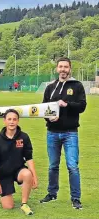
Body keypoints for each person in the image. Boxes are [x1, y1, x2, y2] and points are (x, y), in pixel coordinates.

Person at [40, 57, 87, 209]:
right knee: (53, 165)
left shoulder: (77, 86)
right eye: (60, 67)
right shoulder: (50, 87)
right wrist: (49, 117)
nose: (63, 69)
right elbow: (44, 108)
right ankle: (52, 193)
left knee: (72, 166)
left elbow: (82, 106)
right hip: (52, 132)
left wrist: (66, 105)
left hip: (70, 133)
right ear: (57, 69)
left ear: (70, 69)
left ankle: (76, 198)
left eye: (66, 67)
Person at [0, 109, 38, 215]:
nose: (12, 122)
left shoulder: (24, 137)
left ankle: (24, 204)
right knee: (8, 207)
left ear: (18, 121)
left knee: (27, 174)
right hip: (4, 174)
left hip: (18, 170)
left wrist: (34, 176)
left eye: (14, 119)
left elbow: (29, 158)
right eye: (9, 119)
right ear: (5, 121)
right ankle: (5, 194)